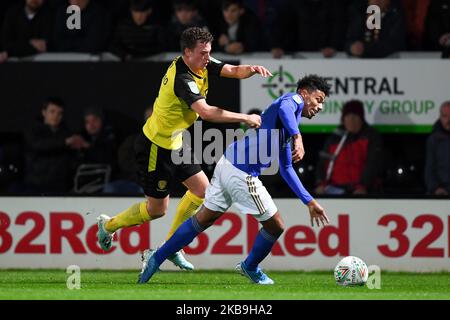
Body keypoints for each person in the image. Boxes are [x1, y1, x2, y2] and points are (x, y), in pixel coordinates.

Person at [96, 27, 271, 270]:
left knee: (203, 191)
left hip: (176, 143)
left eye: (209, 52)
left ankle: (170, 247)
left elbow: (230, 69)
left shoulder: (201, 62)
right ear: (187, 52)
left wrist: (250, 70)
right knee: (157, 210)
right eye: (203, 53)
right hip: (155, 146)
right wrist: (245, 117)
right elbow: (207, 112)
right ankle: (109, 226)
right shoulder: (183, 78)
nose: (207, 58)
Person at [138, 74, 331, 285]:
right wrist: (298, 136)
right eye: (319, 99)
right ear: (304, 93)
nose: (320, 107)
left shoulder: (286, 126)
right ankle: (250, 267)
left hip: (227, 164)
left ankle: (156, 257)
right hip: (242, 172)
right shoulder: (292, 101)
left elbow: (286, 169)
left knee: (203, 219)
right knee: (275, 226)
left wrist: (309, 201)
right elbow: (286, 106)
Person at [314, 100, 383, 195]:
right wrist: (320, 183)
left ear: (361, 119)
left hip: (361, 191)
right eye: (348, 116)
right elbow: (322, 164)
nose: (351, 120)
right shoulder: (335, 137)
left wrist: (363, 186)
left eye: (355, 116)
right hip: (335, 189)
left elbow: (372, 165)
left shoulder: (370, 136)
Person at [24, 97, 89, 193]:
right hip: (35, 185)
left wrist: (83, 147)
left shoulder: (66, 133)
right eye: (52, 111)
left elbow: (74, 158)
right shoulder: (33, 131)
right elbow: (39, 145)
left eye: (60, 113)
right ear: (44, 112)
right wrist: (65, 142)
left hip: (60, 186)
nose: (56, 116)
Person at [424, 101, 450, 196]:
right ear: (440, 117)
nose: (448, 120)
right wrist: (435, 188)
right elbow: (429, 169)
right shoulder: (434, 140)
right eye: (445, 116)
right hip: (441, 193)